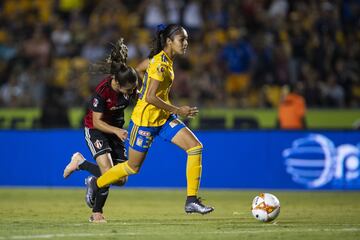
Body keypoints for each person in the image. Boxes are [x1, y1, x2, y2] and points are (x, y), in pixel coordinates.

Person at [86, 24, 214, 215]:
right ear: (169, 42)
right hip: (144, 121)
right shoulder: (160, 65)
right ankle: (97, 182)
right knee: (132, 167)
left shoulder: (159, 59)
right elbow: (150, 97)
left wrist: (143, 87)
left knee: (195, 147)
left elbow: (139, 69)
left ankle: (191, 200)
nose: (186, 43)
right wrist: (178, 110)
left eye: (186, 39)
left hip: (162, 119)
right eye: (182, 40)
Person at [62, 39, 139, 223]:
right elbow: (97, 122)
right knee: (107, 172)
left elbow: (141, 100)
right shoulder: (102, 93)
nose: (129, 94)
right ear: (118, 85)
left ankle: (82, 165)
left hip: (115, 131)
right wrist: (118, 131)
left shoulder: (128, 84)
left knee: (120, 180)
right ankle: (97, 213)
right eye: (127, 90)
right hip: (97, 130)